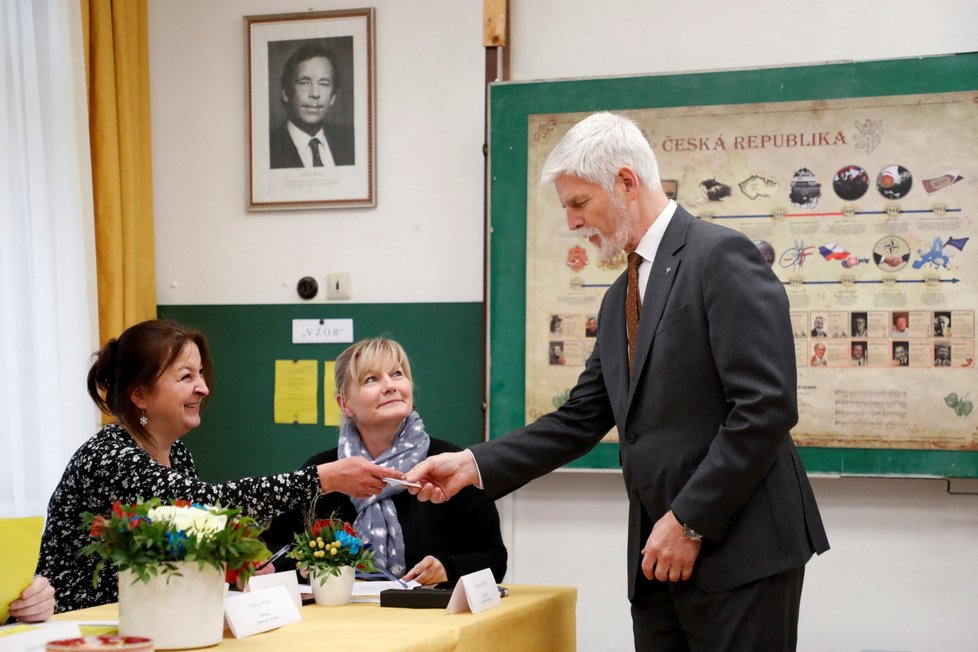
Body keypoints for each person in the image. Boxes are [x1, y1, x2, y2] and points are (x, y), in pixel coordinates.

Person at [406, 113, 828, 650]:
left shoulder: (719, 257)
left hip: (739, 551)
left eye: (579, 203)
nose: (573, 224)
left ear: (626, 182)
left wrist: (690, 521)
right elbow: (582, 416)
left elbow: (764, 408)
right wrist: (470, 465)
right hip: (657, 560)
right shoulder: (617, 299)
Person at [34, 320, 400, 613]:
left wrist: (226, 567)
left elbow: (186, 542)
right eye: (186, 377)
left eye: (200, 375)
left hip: (148, 618)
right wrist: (324, 477)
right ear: (140, 395)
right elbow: (207, 505)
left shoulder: (177, 455)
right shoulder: (110, 457)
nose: (203, 388)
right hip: (79, 627)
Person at [263, 338, 506, 584]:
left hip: (430, 619)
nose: (390, 386)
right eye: (371, 379)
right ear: (345, 404)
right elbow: (271, 553)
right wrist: (304, 566)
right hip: (339, 618)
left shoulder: (450, 465)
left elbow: (495, 559)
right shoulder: (323, 472)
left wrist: (448, 568)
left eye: (397, 374)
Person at [270, 44, 354, 168]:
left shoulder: (351, 140)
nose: (315, 93)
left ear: (333, 97)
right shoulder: (269, 147)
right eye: (304, 83)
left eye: (324, 84)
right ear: (286, 93)